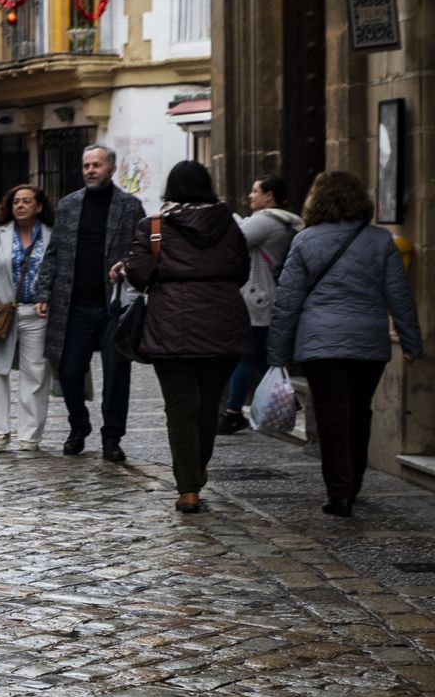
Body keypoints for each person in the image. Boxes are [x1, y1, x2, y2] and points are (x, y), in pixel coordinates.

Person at [269, 170, 423, 518]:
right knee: (358, 412)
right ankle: (353, 484)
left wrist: (277, 353)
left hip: (320, 343)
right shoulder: (380, 240)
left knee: (331, 416)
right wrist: (412, 342)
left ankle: (339, 491)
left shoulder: (305, 241)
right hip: (368, 341)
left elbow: (288, 302)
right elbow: (399, 295)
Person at [124, 162, 249, 514]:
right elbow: (241, 270)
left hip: (170, 324)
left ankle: (188, 488)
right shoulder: (229, 224)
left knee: (180, 407)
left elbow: (138, 274)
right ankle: (196, 469)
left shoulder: (153, 227)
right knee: (209, 405)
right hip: (222, 320)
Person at [33, 144, 145, 462]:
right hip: (73, 305)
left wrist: (126, 265)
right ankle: (78, 426)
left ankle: (112, 437)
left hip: (113, 305)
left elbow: (141, 253)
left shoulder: (129, 206)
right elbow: (53, 255)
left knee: (115, 374)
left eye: (96, 165)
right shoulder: (69, 205)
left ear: (111, 168)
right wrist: (43, 293)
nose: (90, 171)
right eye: (86, 166)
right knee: (68, 373)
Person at [0, 184, 54, 451]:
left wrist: (49, 299)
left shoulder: (51, 236)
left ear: (38, 206)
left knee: (35, 374)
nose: (20, 205)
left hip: (37, 315)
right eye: (16, 201)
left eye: (27, 201)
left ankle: (30, 435)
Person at [219, 175, 303, 434]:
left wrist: (230, 220)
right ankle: (292, 399)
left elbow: (233, 241)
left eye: (255, 191)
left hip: (255, 298)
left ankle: (233, 412)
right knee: (258, 356)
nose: (250, 196)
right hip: (263, 295)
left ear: (269, 197)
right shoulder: (280, 223)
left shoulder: (266, 221)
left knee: (244, 354)